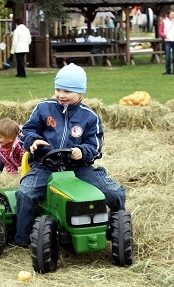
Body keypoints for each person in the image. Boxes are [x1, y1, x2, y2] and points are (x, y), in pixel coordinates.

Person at [14, 63, 126, 247]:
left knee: (113, 193)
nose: (61, 94)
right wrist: (33, 141)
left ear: (80, 92)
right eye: (58, 89)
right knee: (25, 194)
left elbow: (95, 145)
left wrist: (82, 152)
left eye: (67, 90)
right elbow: (26, 131)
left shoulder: (89, 117)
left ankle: (117, 230)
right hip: (45, 165)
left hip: (79, 168)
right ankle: (21, 239)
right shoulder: (44, 108)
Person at [159, 11, 174, 75]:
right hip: (167, 41)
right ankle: (168, 71)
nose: (173, 15)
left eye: (173, 14)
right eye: (171, 14)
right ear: (168, 15)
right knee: (167, 57)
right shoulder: (164, 22)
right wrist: (163, 35)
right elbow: (160, 31)